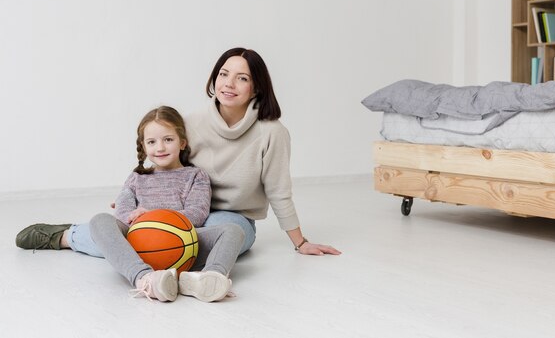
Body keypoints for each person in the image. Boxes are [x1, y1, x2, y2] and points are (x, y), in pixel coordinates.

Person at [16, 47, 340, 260]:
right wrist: (137, 195)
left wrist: (299, 241)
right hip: (176, 208)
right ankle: (67, 236)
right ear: (214, 77)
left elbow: (279, 191)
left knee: (177, 247)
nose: (229, 83)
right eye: (223, 74)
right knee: (153, 243)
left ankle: (94, 242)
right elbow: (166, 164)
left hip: (231, 218)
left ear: (256, 88)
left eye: (242, 78)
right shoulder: (191, 122)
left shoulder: (273, 133)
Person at [91, 106, 243, 302]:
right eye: (152, 142)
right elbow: (123, 213)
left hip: (182, 241)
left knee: (234, 230)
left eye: (168, 140)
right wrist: (144, 221)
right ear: (144, 147)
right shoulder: (136, 178)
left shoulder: (195, 175)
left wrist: (153, 215)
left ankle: (208, 278)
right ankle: (145, 278)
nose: (160, 148)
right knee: (99, 220)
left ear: (182, 143)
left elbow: (197, 213)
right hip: (140, 241)